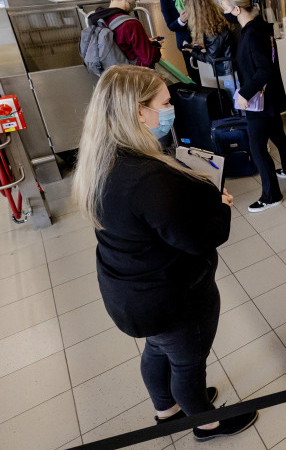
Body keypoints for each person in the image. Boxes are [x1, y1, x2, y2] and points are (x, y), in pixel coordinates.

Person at [73, 65, 258, 441]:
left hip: (129, 292)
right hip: (171, 298)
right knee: (188, 365)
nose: (172, 108)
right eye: (166, 103)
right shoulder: (147, 178)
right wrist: (222, 206)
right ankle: (206, 424)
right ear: (139, 112)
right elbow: (199, 240)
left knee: (157, 350)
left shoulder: (102, 159)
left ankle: (166, 410)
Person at [228, 0, 286, 212]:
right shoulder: (260, 27)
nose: (225, 13)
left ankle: (271, 196)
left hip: (258, 101)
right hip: (269, 97)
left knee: (258, 148)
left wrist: (245, 93)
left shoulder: (252, 35)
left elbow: (264, 70)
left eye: (226, 8)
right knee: (277, 134)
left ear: (237, 9)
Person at [88, 0, 162, 69]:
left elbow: (118, 45)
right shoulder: (130, 24)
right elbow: (148, 58)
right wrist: (155, 45)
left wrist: (144, 42)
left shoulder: (100, 19)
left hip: (112, 72)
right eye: (135, 0)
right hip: (135, 72)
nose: (135, 3)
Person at [183, 0, 237, 93]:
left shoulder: (213, 30)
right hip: (233, 69)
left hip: (228, 72)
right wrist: (204, 46)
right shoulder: (219, 20)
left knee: (235, 100)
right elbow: (221, 45)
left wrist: (192, 51)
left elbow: (210, 58)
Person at [157, 0, 200, 83]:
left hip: (201, 36)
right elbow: (170, 25)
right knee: (194, 73)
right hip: (186, 42)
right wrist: (181, 20)